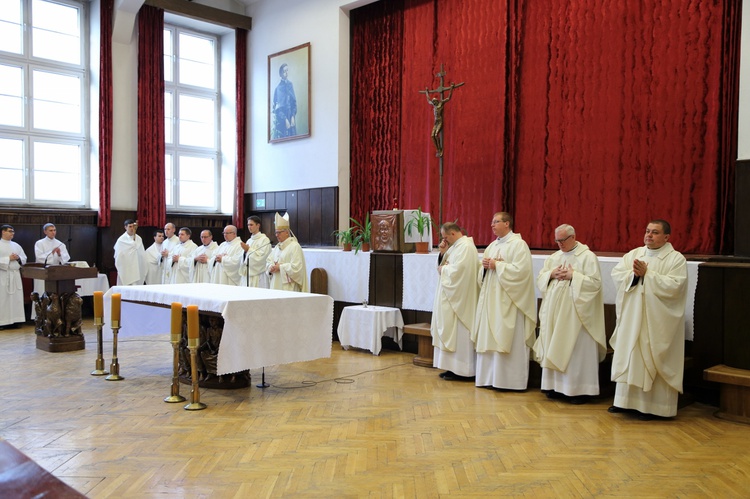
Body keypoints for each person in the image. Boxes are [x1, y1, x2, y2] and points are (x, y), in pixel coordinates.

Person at [609, 220, 688, 420]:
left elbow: (675, 287)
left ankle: (654, 407)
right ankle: (625, 402)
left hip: (657, 322)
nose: (649, 236)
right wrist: (633, 276)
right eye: (647, 231)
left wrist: (648, 275)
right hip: (632, 318)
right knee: (631, 354)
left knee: (650, 356)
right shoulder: (635, 254)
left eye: (654, 232)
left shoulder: (676, 259)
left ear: (667, 237)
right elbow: (618, 275)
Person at [534, 224, 606, 404]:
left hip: (577, 315)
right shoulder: (554, 257)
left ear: (573, 237)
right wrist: (551, 273)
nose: (559, 244)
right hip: (554, 312)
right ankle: (555, 387)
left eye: (562, 240)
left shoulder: (587, 257)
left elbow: (595, 284)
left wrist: (574, 276)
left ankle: (578, 390)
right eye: (557, 240)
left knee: (575, 350)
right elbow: (540, 279)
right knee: (553, 343)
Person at [472, 212, 537, 390]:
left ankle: (510, 382)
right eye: (492, 222)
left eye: (496, 222)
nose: (492, 225)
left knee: (508, 336)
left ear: (507, 224)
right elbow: (482, 274)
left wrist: (498, 265)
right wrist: (485, 268)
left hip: (509, 300)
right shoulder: (492, 246)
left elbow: (522, 272)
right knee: (489, 336)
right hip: (491, 300)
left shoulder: (519, 245)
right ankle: (489, 378)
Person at [431, 222, 481, 381]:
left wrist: (443, 269)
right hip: (450, 297)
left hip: (460, 300)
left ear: (453, 233)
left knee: (459, 334)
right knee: (449, 331)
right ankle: (452, 368)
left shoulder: (465, 247)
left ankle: (464, 371)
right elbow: (447, 264)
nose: (445, 240)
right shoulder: (456, 247)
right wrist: (443, 253)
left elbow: (460, 271)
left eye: (446, 237)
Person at [266, 212, 308, 292]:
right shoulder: (277, 248)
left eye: (279, 232)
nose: (276, 235)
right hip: (275, 284)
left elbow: (297, 268)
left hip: (288, 287)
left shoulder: (295, 246)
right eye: (276, 232)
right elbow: (268, 260)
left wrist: (280, 267)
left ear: (286, 232)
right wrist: (270, 267)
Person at [33, 223, 71, 298]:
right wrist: (52, 253)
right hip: (42, 272)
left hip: (55, 273)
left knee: (54, 295)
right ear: (45, 232)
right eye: (50, 230)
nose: (53, 232)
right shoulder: (39, 243)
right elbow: (39, 257)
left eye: (54, 230)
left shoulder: (60, 244)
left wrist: (59, 254)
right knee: (42, 293)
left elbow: (66, 259)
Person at [0, 225, 27, 329]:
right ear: (3, 232)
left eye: (13, 231)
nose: (12, 233)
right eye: (10, 231)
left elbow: (24, 258)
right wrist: (8, 258)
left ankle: (16, 320)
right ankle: (3, 322)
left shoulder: (16, 245)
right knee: (3, 298)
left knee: (16, 298)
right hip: (3, 274)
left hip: (15, 275)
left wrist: (18, 257)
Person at [240, 216, 271, 288]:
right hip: (248, 274)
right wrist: (245, 253)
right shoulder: (249, 240)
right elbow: (244, 258)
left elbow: (262, 258)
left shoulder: (264, 240)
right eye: (248, 225)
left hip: (258, 275)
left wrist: (248, 250)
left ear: (258, 225)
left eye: (251, 225)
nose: (249, 227)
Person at [113, 219, 146, 286]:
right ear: (125, 227)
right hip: (127, 268)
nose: (132, 229)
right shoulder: (121, 240)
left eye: (133, 227)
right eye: (130, 226)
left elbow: (142, 253)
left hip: (137, 267)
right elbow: (118, 255)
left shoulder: (139, 238)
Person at [272, 63, 297, 138]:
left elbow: (294, 103)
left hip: (290, 116)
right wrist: (285, 119)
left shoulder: (290, 85)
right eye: (284, 71)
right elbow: (277, 109)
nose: (286, 73)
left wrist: (292, 116)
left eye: (287, 71)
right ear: (281, 74)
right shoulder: (278, 88)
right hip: (282, 120)